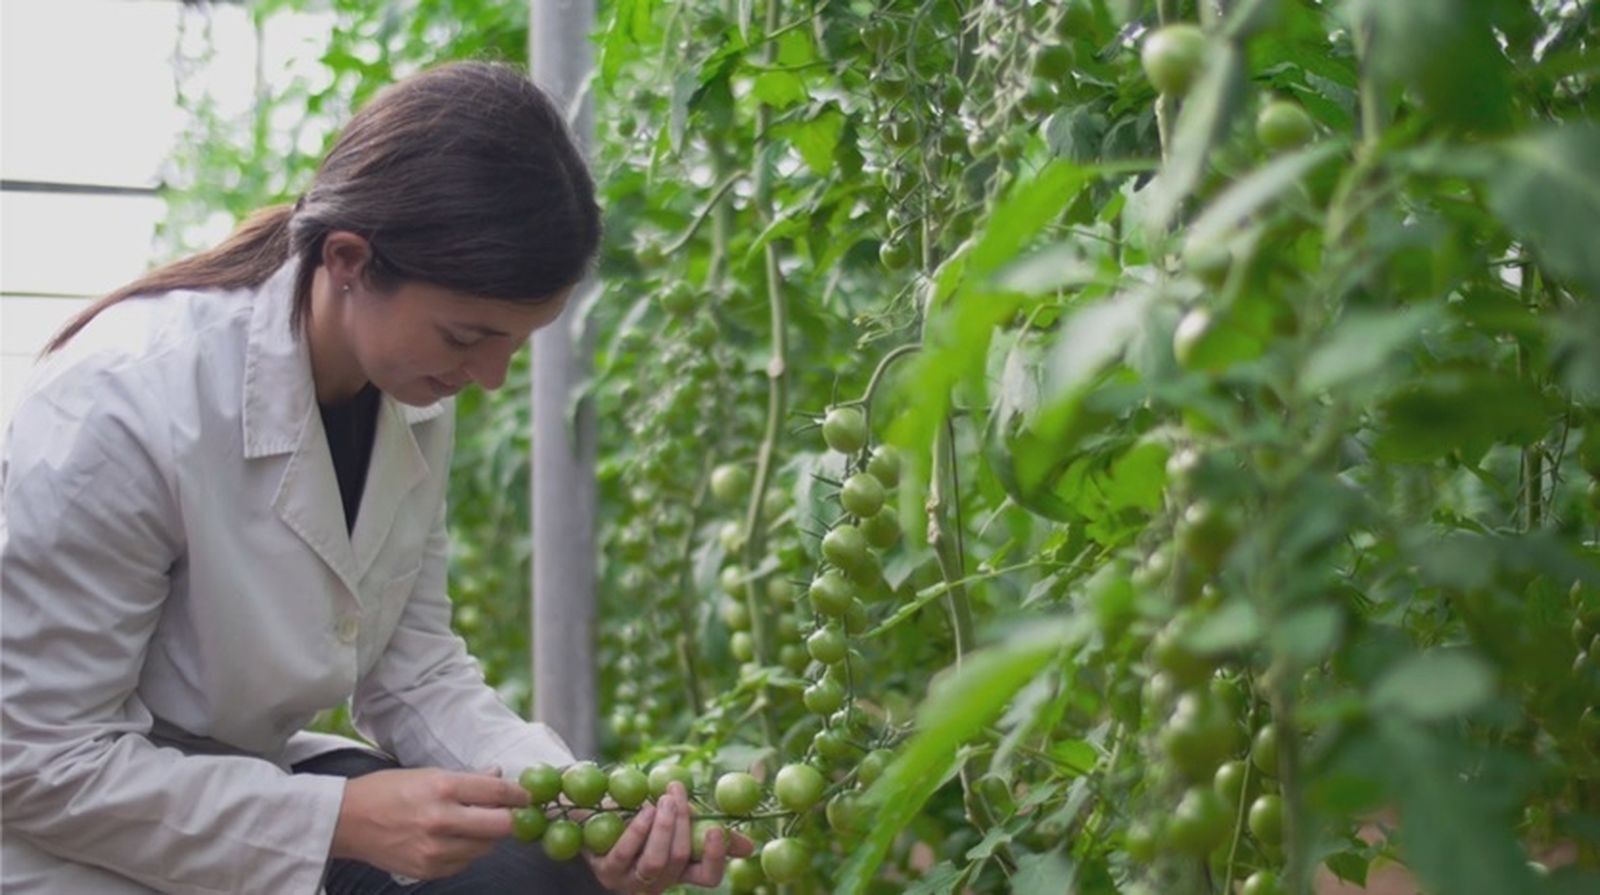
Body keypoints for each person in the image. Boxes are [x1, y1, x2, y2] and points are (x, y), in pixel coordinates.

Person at [0, 60, 747, 894]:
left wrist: (578, 803)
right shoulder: (120, 403)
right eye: (468, 337)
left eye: (513, 342)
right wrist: (340, 822)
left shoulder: (409, 384)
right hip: (84, 832)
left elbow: (412, 665)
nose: (492, 376)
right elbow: (34, 760)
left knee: (554, 877)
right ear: (350, 259)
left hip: (243, 780)